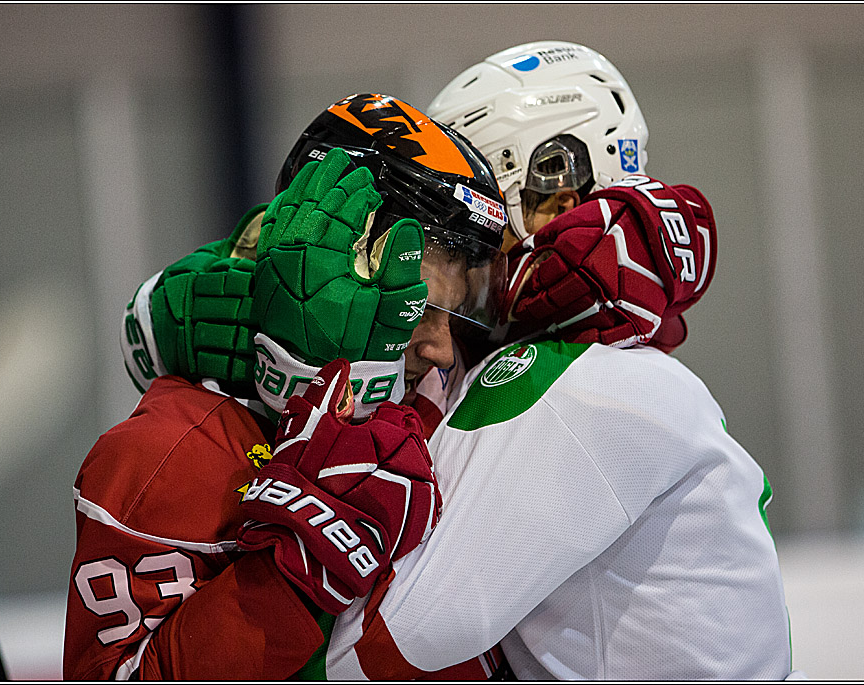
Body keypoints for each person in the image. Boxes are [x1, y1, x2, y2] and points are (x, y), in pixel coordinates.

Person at [315, 42, 795, 680]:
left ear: (556, 194)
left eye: (474, 218)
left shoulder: (569, 383)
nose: (457, 253)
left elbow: (377, 652)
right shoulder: (620, 371)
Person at [64, 93, 510, 680]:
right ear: (347, 257)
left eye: (454, 316)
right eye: (418, 310)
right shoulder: (164, 456)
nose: (443, 349)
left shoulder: (428, 398)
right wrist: (292, 573)